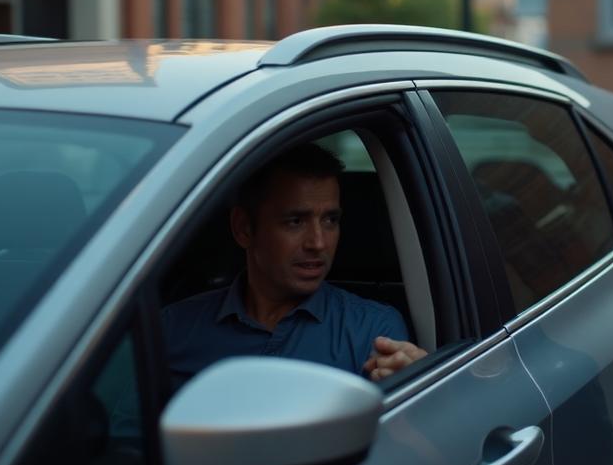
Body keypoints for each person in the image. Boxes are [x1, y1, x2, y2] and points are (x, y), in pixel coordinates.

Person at [164, 143, 426, 387]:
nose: (318, 243)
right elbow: (130, 435)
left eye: (330, 220)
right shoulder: (172, 329)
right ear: (243, 228)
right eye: (295, 221)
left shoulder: (372, 332)